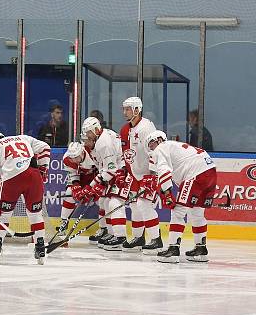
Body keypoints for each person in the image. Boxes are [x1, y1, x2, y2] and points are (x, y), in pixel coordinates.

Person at [145, 132, 216, 263]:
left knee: (178, 212)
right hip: (210, 171)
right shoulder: (174, 147)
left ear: (159, 140)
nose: (151, 149)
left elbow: (164, 170)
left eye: (151, 144)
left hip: (195, 173)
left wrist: (167, 193)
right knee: (197, 212)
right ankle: (201, 249)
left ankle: (173, 250)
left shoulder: (161, 148)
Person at [0, 133, 51, 264]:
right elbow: (45, 147)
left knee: (3, 214)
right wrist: (43, 168)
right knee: (35, 214)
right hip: (33, 174)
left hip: (11, 178)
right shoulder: (23, 137)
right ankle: (40, 248)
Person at [119, 97, 162, 254]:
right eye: (123, 109)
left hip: (147, 174)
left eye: (127, 109)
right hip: (134, 174)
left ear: (137, 110)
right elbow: (125, 153)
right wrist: (124, 170)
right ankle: (138, 238)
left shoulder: (147, 128)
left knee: (144, 205)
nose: (124, 112)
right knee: (134, 206)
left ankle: (156, 239)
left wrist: (152, 174)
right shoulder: (124, 129)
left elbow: (155, 151)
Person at [80, 117, 128, 251]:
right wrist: (98, 182)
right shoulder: (97, 140)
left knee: (114, 202)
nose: (86, 136)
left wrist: (92, 185)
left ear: (95, 130)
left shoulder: (103, 143)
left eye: (88, 132)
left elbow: (111, 169)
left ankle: (120, 237)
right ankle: (111, 233)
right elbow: (104, 167)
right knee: (104, 201)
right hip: (115, 171)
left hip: (122, 171)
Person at [57, 138, 98, 238]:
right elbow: (73, 173)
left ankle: (104, 229)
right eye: (72, 158)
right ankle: (64, 223)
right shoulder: (67, 158)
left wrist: (90, 188)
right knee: (69, 193)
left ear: (82, 153)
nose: (74, 160)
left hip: (95, 177)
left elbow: (101, 171)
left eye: (76, 157)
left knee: (102, 200)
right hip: (80, 177)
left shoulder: (93, 154)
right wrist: (76, 187)